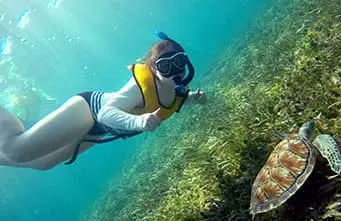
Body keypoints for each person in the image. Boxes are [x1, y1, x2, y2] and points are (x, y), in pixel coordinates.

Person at [0, 32, 206, 170]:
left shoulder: (177, 91)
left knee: (42, 164)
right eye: (165, 66)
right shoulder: (139, 87)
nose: (175, 71)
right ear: (153, 69)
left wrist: (192, 98)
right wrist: (139, 121)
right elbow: (105, 114)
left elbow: (169, 102)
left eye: (179, 62)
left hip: (99, 130)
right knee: (17, 151)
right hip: (88, 110)